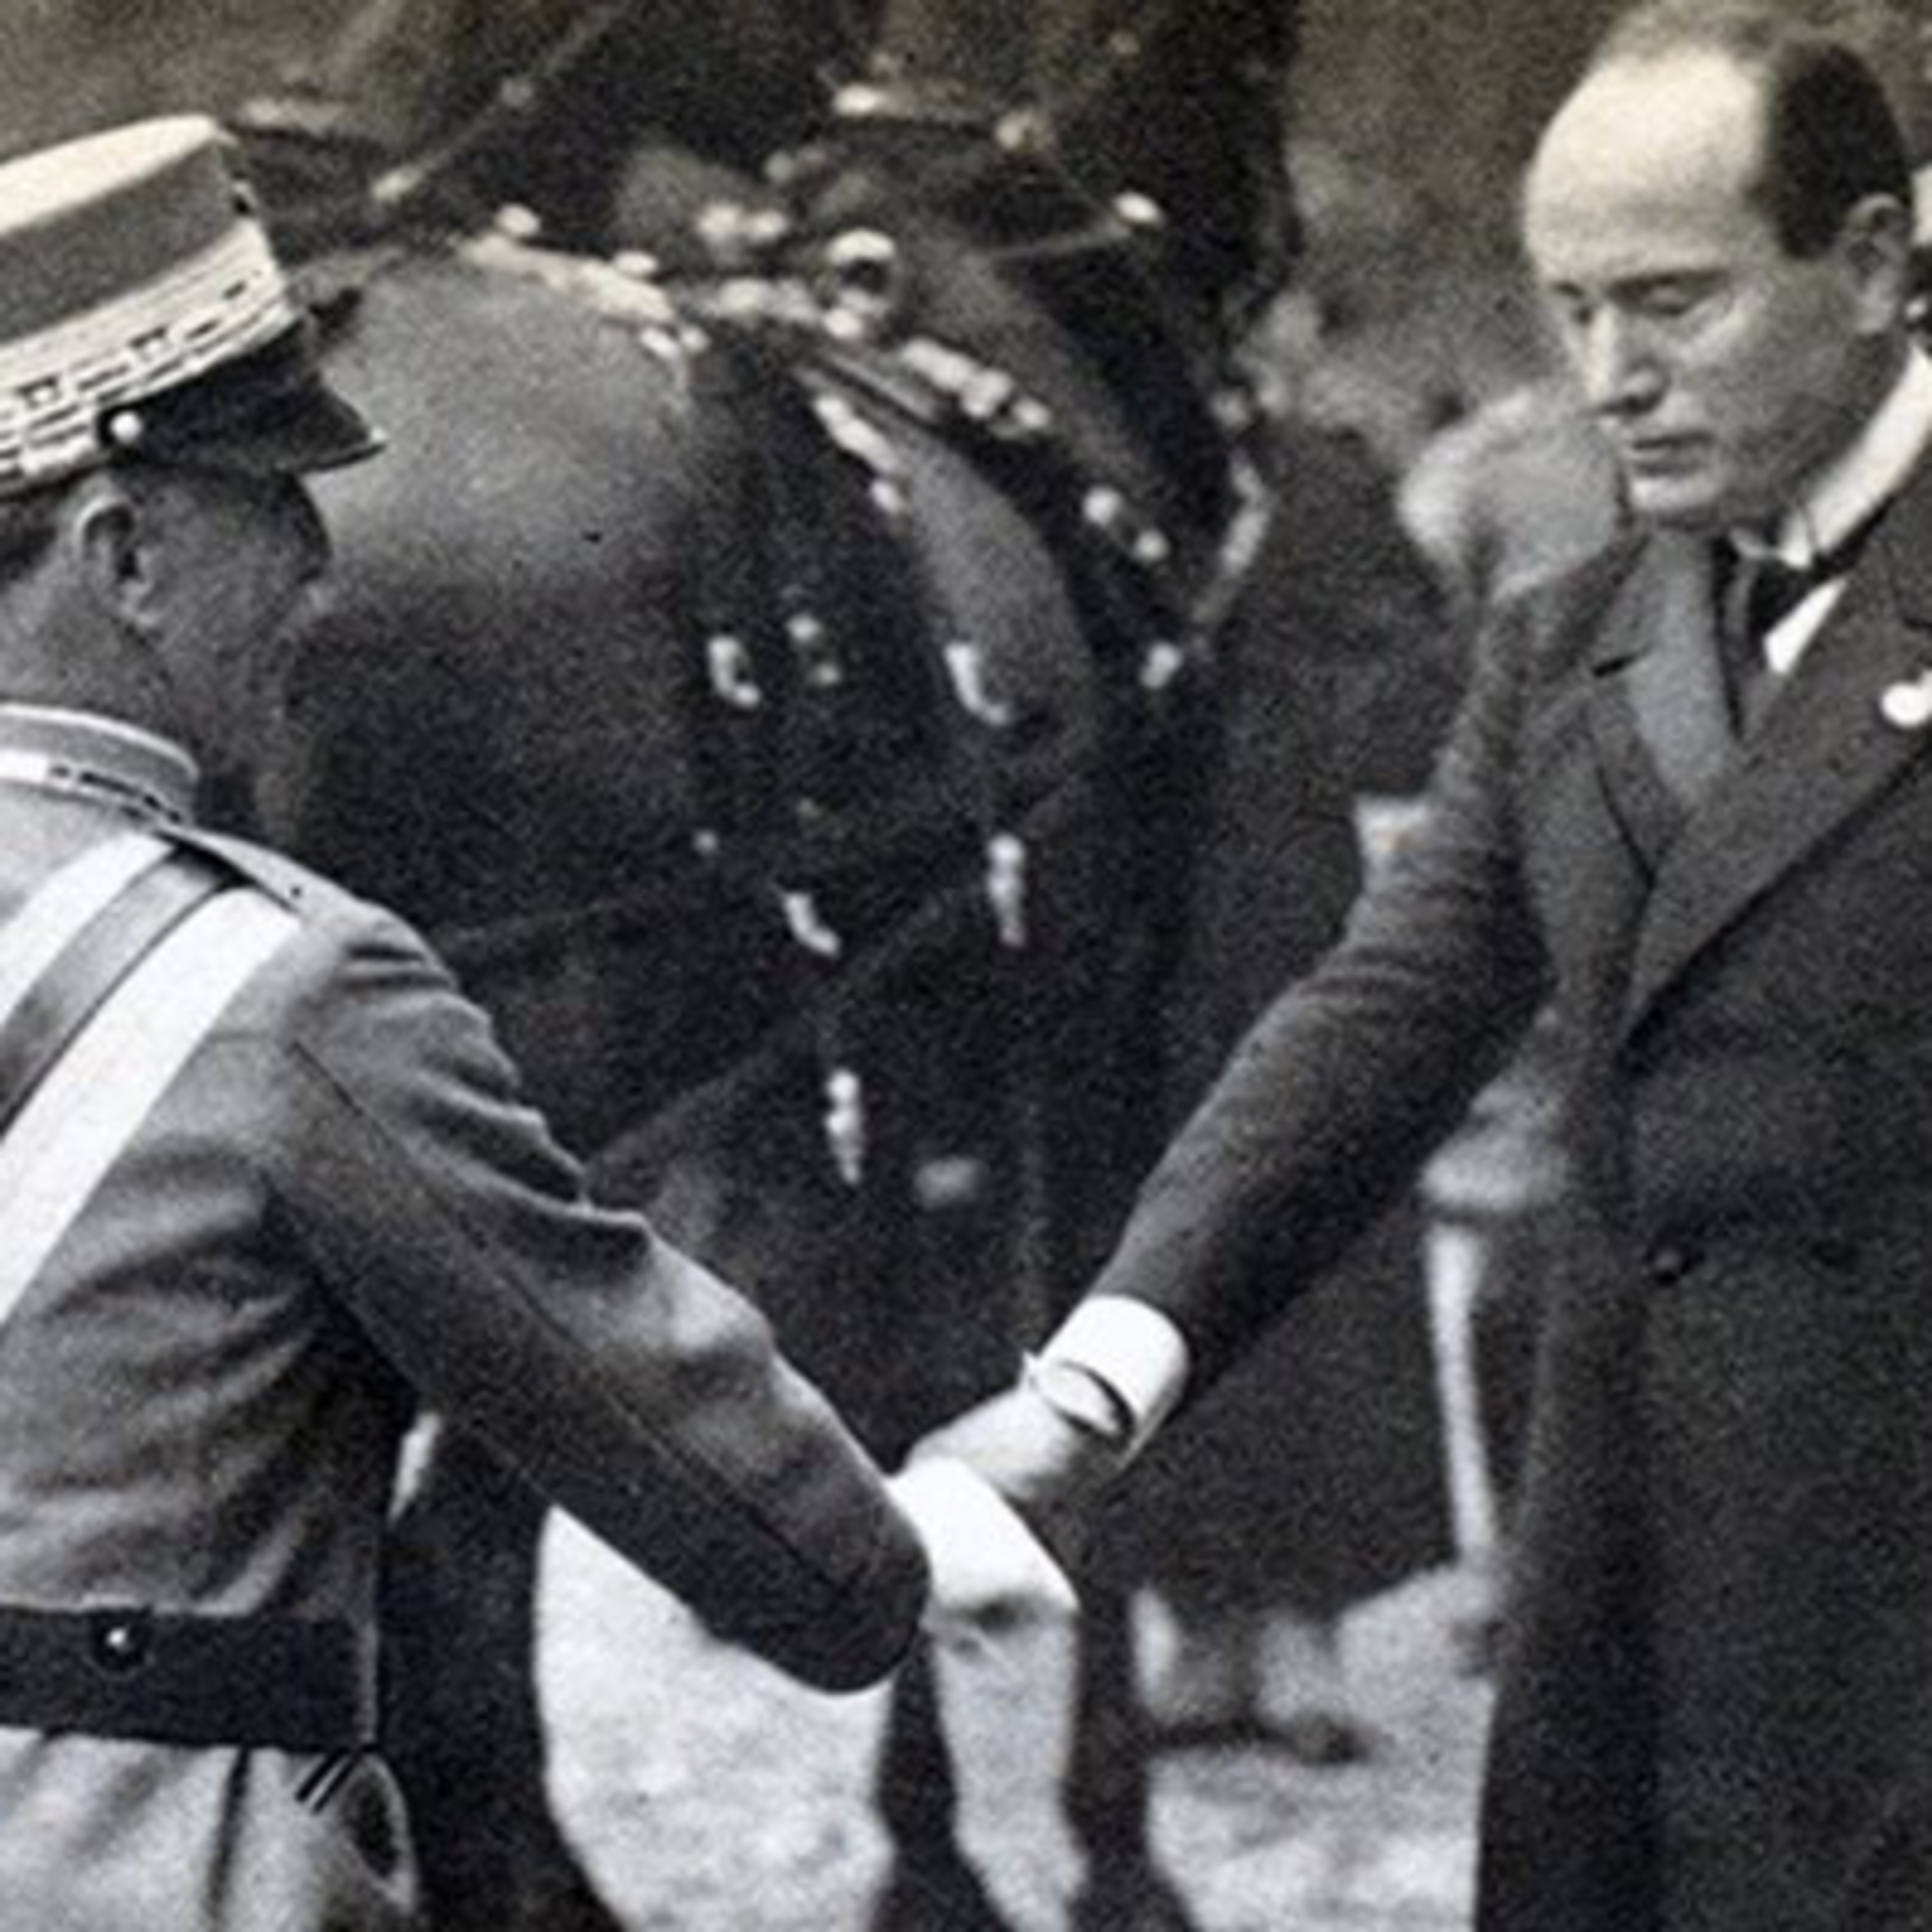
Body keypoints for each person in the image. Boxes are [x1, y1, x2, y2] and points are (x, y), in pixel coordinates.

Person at [920, 4, 1932, 1926]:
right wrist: (1087, 1396)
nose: (1610, 380)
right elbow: (1382, 1018)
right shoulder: (1569, 644)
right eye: (1575, 311)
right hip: (1637, 1619)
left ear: (1873, 262)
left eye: (1675, 305)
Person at [0, 115, 1061, 1931]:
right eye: (276, 508)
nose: (318, 574)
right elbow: (755, 1523)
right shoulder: (290, 994)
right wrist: (925, 1539)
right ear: (124, 556)